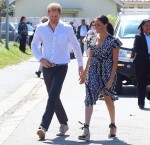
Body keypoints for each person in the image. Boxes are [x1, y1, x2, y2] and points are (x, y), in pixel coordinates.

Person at [31, 2, 83, 140]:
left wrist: (80, 65)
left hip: (61, 66)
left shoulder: (67, 29)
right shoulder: (41, 28)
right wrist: (40, 58)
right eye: (52, 15)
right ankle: (64, 123)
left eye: (56, 15)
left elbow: (76, 46)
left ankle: (43, 127)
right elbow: (34, 44)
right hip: (47, 67)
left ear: (60, 14)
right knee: (53, 97)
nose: (54, 18)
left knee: (53, 95)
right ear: (48, 14)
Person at [78, 15, 122, 141]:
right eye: (94, 25)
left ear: (105, 25)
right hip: (93, 72)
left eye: (98, 25)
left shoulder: (114, 41)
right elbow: (90, 57)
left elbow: (115, 62)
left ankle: (112, 125)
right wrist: (84, 73)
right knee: (89, 97)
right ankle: (86, 129)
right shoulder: (91, 39)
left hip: (108, 72)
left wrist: (111, 79)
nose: (96, 27)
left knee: (108, 98)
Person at [132, 19, 150, 109]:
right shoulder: (138, 37)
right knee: (141, 83)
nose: (148, 27)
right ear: (142, 26)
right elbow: (136, 49)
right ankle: (141, 103)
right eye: (146, 25)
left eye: (149, 25)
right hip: (141, 63)